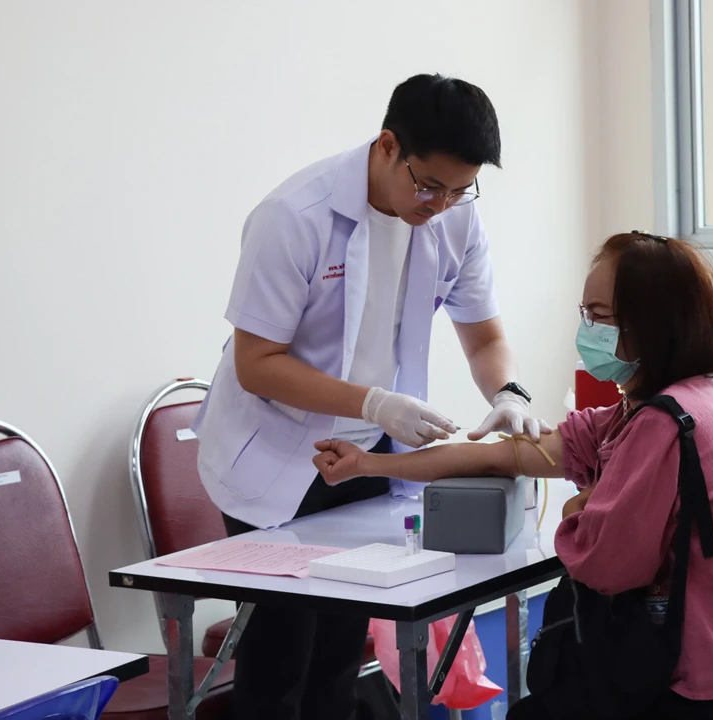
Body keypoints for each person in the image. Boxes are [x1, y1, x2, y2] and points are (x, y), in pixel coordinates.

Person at [313, 232, 713, 719]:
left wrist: (573, 508)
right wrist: (371, 463)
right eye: (583, 313)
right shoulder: (654, 406)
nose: (586, 329)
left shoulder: (661, 422)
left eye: (600, 316)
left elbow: (604, 564)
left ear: (650, 324)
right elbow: (500, 457)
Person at [190, 73, 549, 720]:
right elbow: (257, 364)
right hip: (271, 454)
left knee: (343, 648)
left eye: (460, 189)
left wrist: (510, 392)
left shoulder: (454, 217)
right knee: (282, 652)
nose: (440, 203)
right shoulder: (293, 218)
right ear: (387, 146)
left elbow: (485, 334)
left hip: (367, 457)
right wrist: (375, 403)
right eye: (428, 184)